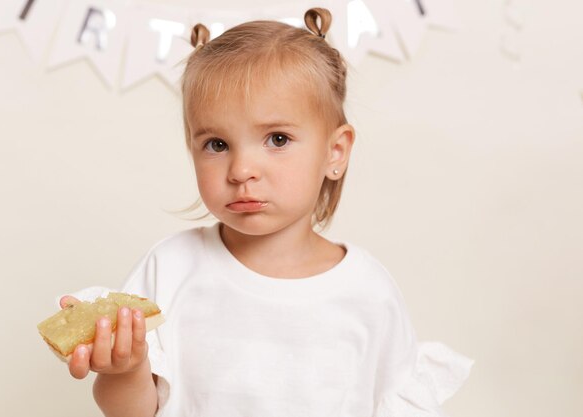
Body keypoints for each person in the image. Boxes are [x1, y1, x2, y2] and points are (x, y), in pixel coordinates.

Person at [59, 8, 473, 417]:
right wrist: (126, 370)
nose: (241, 171)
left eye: (277, 139)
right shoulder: (170, 269)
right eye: (217, 145)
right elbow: (133, 412)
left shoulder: (368, 291)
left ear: (335, 151)